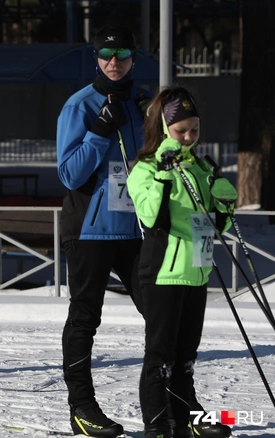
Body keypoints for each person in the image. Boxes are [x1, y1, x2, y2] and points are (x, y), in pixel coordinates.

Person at [127, 86, 235, 438]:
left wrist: (224, 206)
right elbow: (150, 217)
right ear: (162, 128)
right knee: (160, 358)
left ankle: (189, 417)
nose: (189, 138)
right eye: (181, 131)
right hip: (164, 273)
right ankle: (157, 426)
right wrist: (161, 173)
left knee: (187, 358)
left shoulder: (202, 166)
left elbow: (213, 225)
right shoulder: (145, 168)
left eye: (195, 130)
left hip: (197, 270)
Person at [56, 24, 149, 438]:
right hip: (89, 231)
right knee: (85, 318)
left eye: (122, 54)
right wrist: (98, 132)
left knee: (163, 314)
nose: (114, 62)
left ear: (133, 58)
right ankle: (82, 407)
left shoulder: (144, 103)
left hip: (135, 229)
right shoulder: (79, 105)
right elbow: (70, 175)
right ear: (96, 57)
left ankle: (179, 401)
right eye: (107, 54)